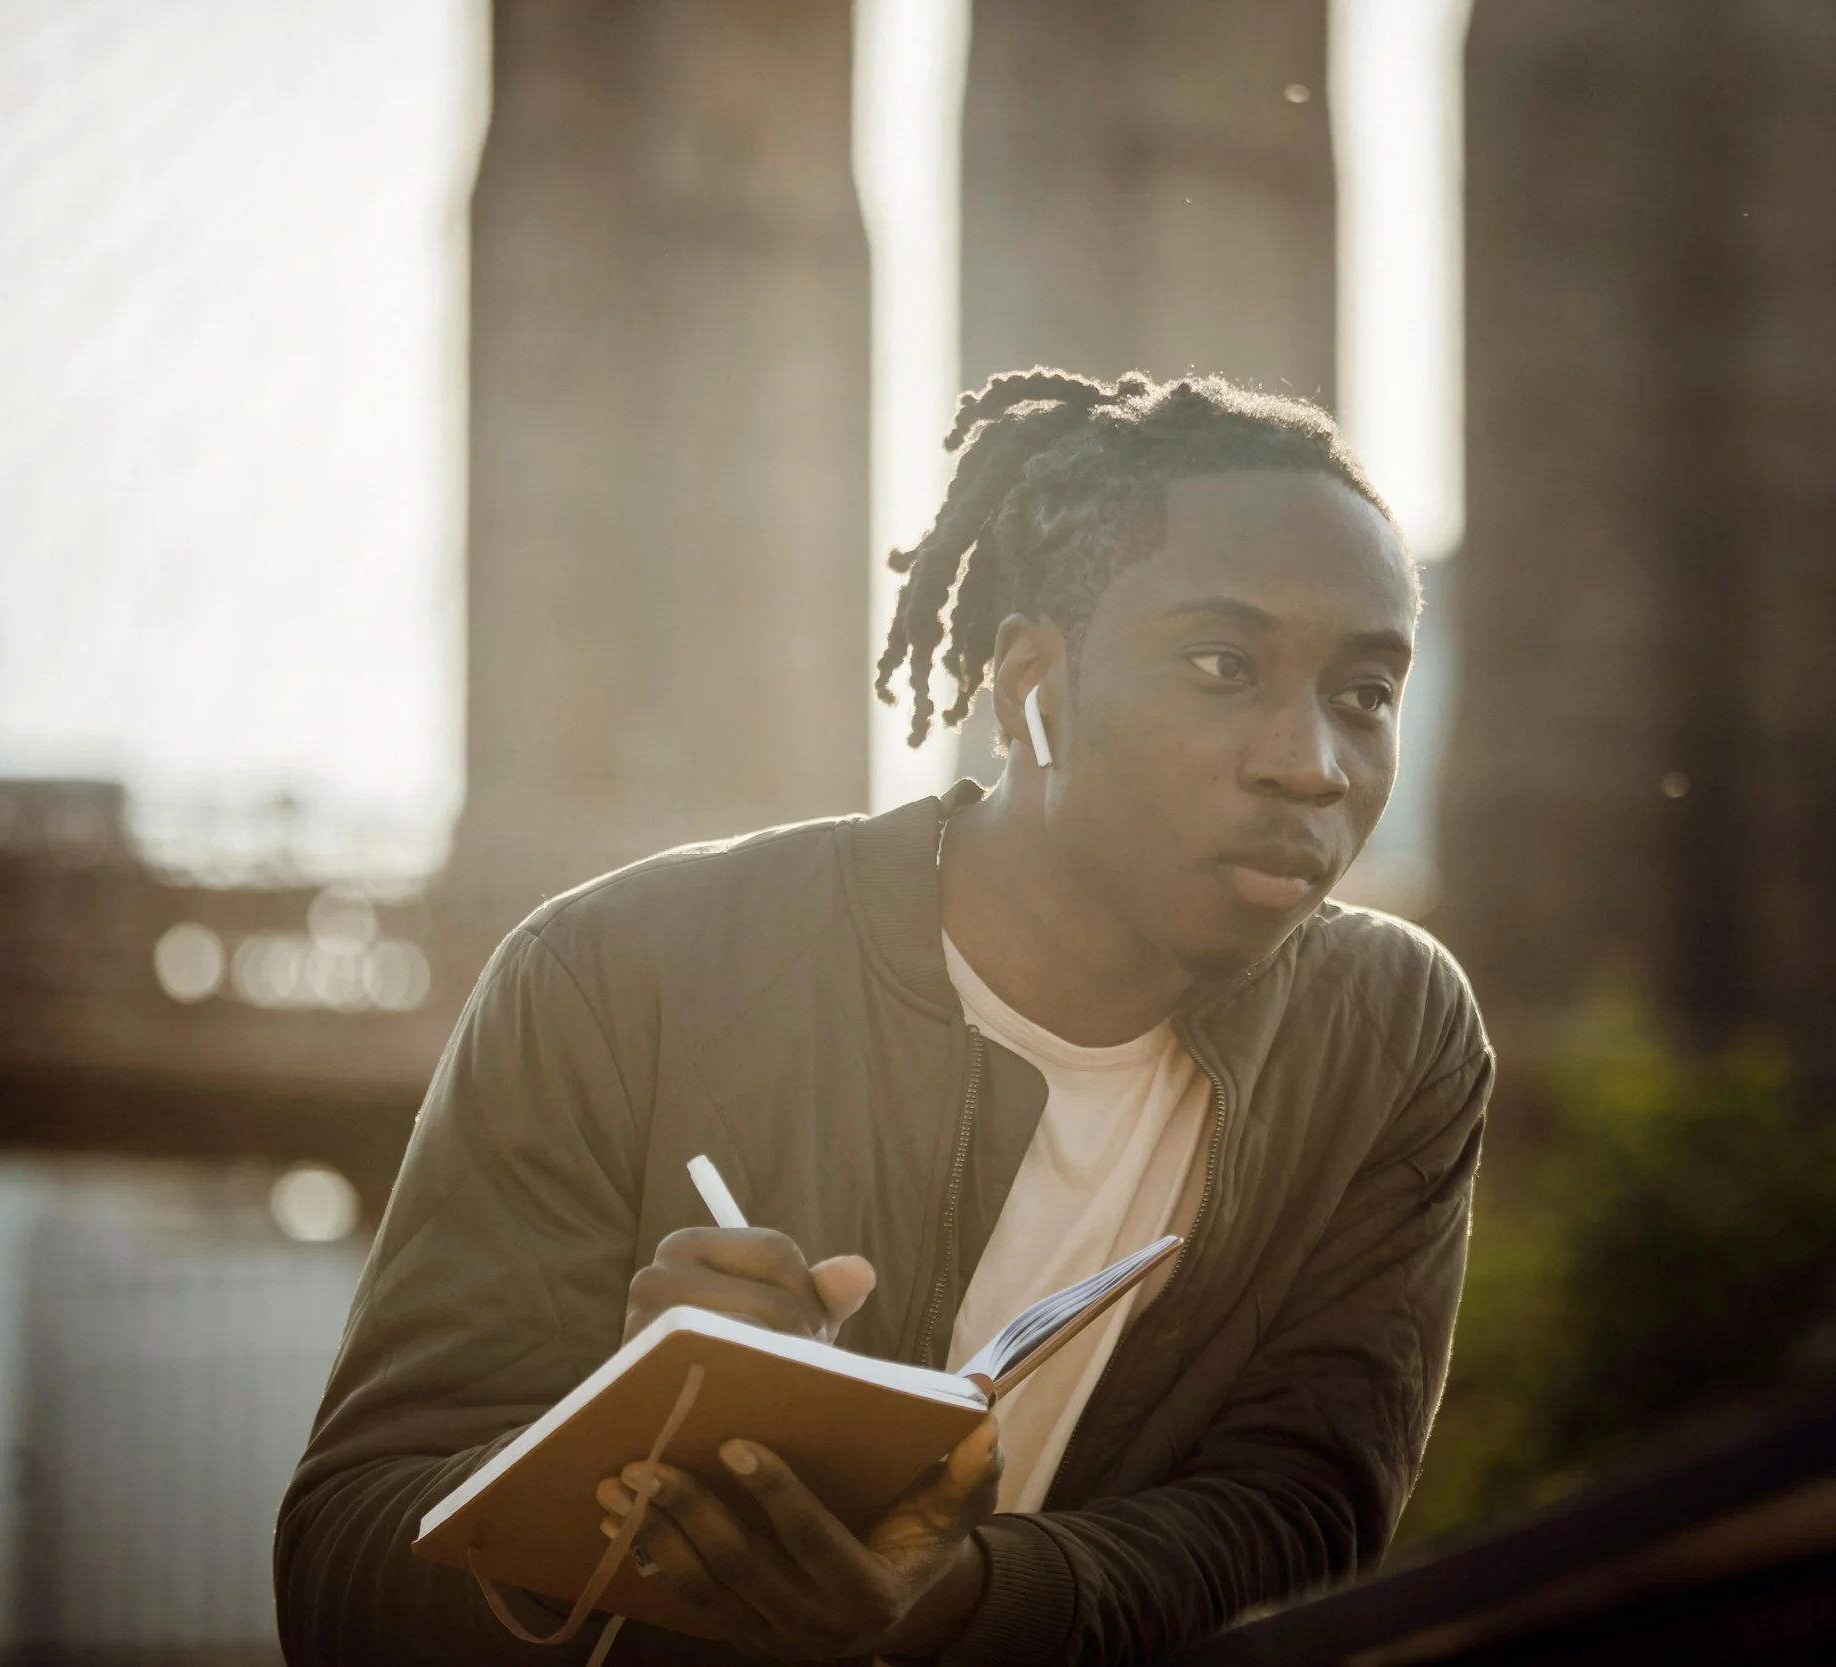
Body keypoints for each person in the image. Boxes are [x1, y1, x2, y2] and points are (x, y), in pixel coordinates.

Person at [275, 369, 1492, 1666]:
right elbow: (344, 1568)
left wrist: (958, 1599)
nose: (1311, 760)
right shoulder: (614, 976)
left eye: (1365, 693)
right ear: (1035, 688)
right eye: (1222, 665)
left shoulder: (1392, 1038)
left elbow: (1304, 1511)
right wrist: (613, 1461)